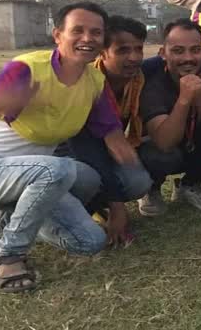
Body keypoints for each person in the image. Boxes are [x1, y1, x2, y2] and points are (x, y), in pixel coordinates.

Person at [0, 2, 138, 293]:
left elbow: (110, 133)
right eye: (78, 30)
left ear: (103, 41)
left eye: (96, 33)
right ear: (57, 35)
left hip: (40, 176)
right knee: (60, 168)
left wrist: (124, 171)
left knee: (90, 238)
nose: (87, 38)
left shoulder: (93, 81)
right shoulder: (28, 67)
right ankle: (9, 255)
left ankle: (0, 217)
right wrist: (7, 98)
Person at [62, 15, 153, 243]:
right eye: (122, 50)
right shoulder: (86, 84)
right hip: (73, 155)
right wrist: (118, 206)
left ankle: (95, 206)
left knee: (138, 181)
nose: (133, 58)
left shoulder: (139, 79)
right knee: (88, 178)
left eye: (138, 49)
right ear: (102, 52)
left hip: (107, 151)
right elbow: (89, 151)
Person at [137, 18, 201, 214]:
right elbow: (164, 142)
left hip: (194, 139)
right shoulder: (151, 79)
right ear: (163, 53)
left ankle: (192, 183)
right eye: (178, 51)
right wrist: (185, 98)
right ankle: (151, 188)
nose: (188, 58)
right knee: (161, 156)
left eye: (195, 50)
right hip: (161, 144)